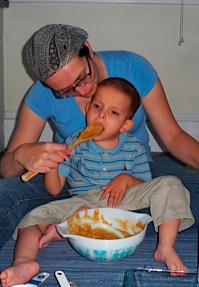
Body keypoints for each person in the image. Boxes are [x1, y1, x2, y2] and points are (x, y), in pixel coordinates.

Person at [0, 24, 198, 250]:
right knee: (6, 198)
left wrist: (131, 182)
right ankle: (83, 219)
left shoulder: (133, 68)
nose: (83, 92)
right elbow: (7, 171)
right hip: (74, 181)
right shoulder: (41, 94)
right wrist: (21, 155)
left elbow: (173, 137)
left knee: (178, 191)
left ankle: (81, 221)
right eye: (65, 91)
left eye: (83, 77)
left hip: (133, 176)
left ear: (87, 48)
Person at [0, 78, 194, 287]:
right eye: (97, 106)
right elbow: (54, 189)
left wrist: (126, 179)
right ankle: (24, 262)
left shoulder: (135, 148)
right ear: (87, 109)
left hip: (122, 202)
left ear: (125, 125)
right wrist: (52, 165)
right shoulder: (73, 145)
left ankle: (165, 247)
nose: (101, 114)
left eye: (113, 112)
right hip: (83, 202)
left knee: (171, 184)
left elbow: (147, 186)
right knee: (32, 218)